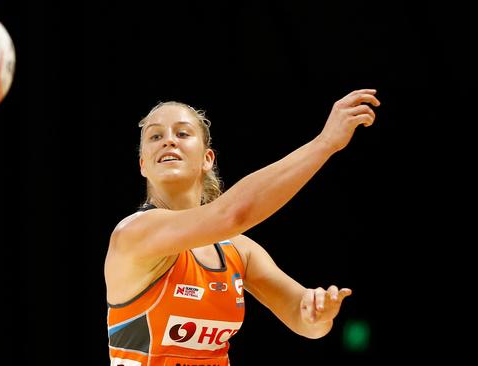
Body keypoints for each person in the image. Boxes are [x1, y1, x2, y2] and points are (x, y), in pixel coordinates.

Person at [104, 89, 380, 365]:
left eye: (183, 133)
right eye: (155, 136)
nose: (168, 141)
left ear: (207, 159)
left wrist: (318, 315)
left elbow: (304, 319)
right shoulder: (133, 234)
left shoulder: (238, 250)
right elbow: (233, 214)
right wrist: (325, 143)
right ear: (143, 165)